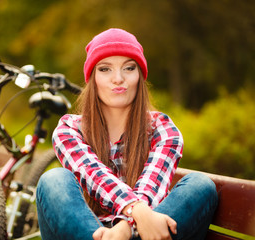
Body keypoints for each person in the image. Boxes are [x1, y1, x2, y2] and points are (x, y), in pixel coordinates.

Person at [36, 28, 218, 240]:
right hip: (89, 233)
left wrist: (125, 228)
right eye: (105, 69)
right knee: (53, 180)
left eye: (129, 68)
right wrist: (136, 212)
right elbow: (94, 174)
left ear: (139, 75)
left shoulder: (163, 130)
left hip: (146, 232)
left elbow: (152, 187)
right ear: (92, 78)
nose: (118, 79)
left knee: (200, 185)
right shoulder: (69, 130)